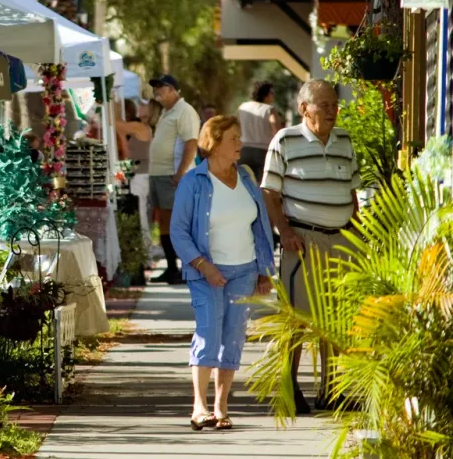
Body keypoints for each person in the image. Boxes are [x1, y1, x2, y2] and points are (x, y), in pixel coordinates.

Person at [261, 79, 360, 414]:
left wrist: (355, 230)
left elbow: (352, 191)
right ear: (304, 108)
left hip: (340, 238)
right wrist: (285, 231)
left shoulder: (344, 140)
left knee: (334, 319)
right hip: (301, 239)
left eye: (335, 104)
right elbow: (270, 193)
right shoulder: (285, 139)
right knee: (297, 318)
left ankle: (330, 390)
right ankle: (289, 388)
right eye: (325, 105)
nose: (333, 111)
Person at [170, 116, 275, 430]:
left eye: (239, 138)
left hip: (244, 271)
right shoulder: (194, 182)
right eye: (234, 138)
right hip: (206, 273)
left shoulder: (245, 177)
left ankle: (221, 406)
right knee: (208, 333)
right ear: (214, 143)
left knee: (232, 339)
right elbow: (178, 232)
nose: (240, 144)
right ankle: (199, 406)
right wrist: (203, 265)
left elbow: (261, 226)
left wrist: (264, 271)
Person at [147, 75, 201, 284]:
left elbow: (191, 143)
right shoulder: (167, 112)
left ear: (172, 89)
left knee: (174, 222)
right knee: (163, 223)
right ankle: (172, 268)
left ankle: (182, 269)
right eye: (155, 87)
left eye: (160, 87)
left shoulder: (184, 111)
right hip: (159, 174)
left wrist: (180, 173)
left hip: (171, 175)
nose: (156, 91)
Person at [114, 99, 153, 258]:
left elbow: (116, 124)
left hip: (141, 175)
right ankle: (142, 251)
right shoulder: (134, 129)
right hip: (135, 175)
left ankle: (145, 252)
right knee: (138, 213)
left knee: (141, 214)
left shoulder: (141, 128)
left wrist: (113, 105)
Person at [238, 81, 281, 183]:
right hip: (263, 152)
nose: (273, 96)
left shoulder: (242, 107)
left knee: (244, 183)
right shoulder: (269, 109)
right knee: (263, 184)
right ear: (265, 94)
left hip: (244, 150)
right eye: (272, 93)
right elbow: (276, 130)